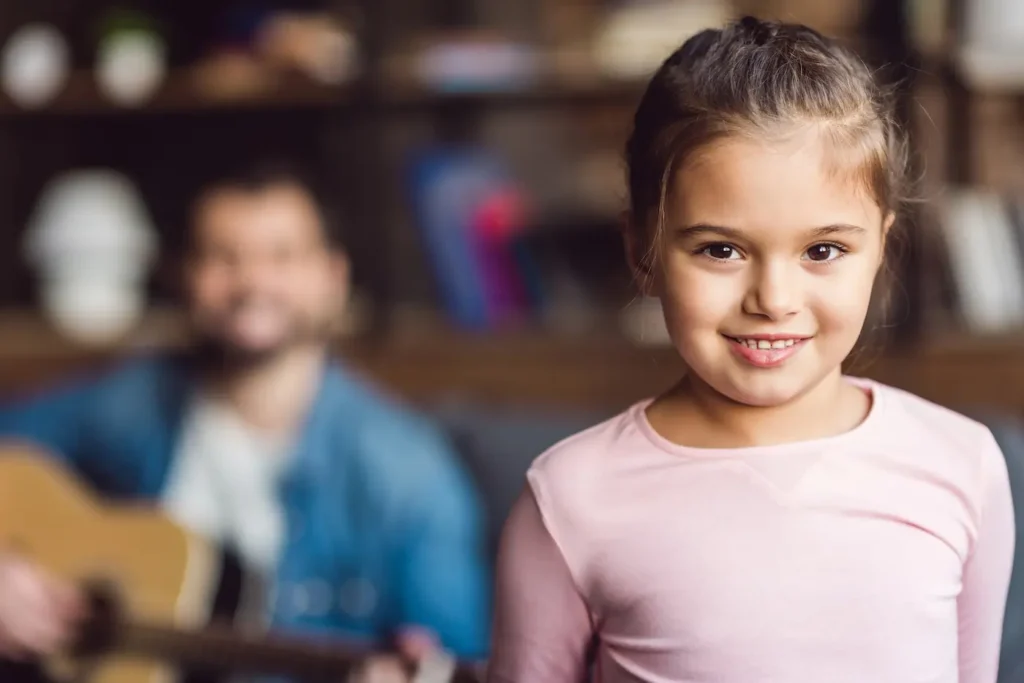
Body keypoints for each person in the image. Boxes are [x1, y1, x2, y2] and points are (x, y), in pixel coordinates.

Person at [488, 17, 1015, 683]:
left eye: (823, 250)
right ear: (640, 249)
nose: (773, 297)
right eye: (721, 249)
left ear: (881, 246)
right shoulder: (569, 501)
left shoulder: (961, 467)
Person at [0, 163, 490, 680]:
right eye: (223, 257)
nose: (252, 281)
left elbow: (454, 655)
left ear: (333, 277)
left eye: (281, 256)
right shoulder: (129, 402)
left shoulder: (408, 471)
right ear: (185, 276)